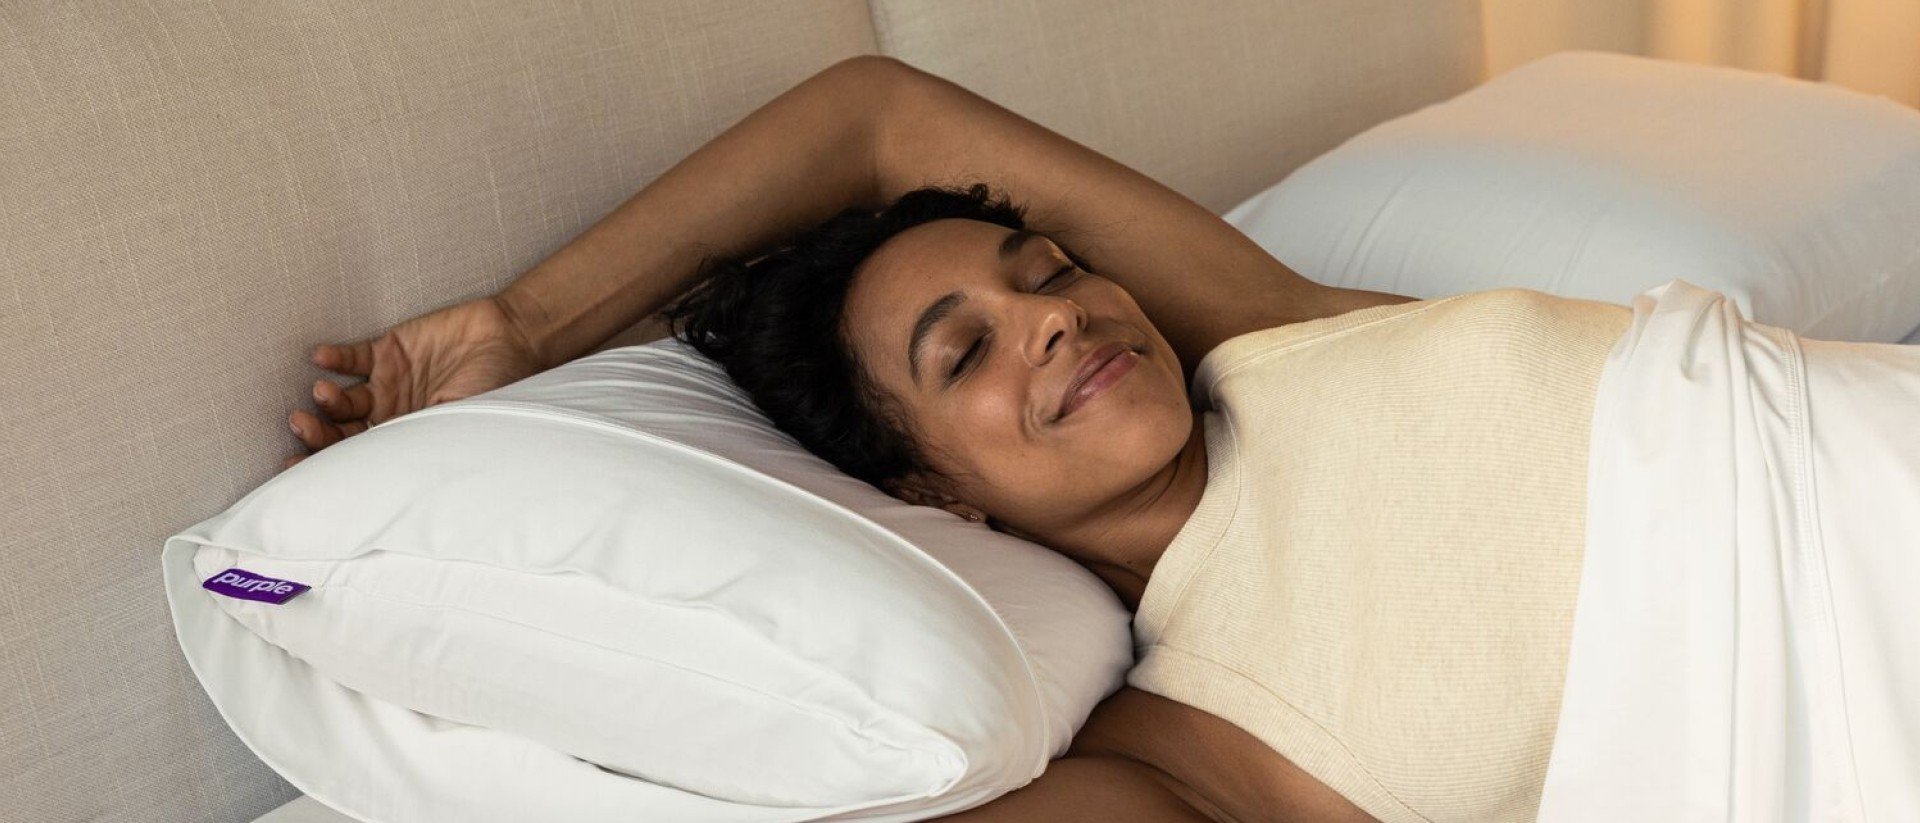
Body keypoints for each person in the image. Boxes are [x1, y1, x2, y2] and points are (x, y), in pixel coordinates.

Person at [282, 56, 1598, 823]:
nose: (1057, 318)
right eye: (964, 353)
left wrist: (530, 318)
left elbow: (876, 119)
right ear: (927, 488)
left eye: (1053, 272)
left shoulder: (1288, 335)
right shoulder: (1190, 743)